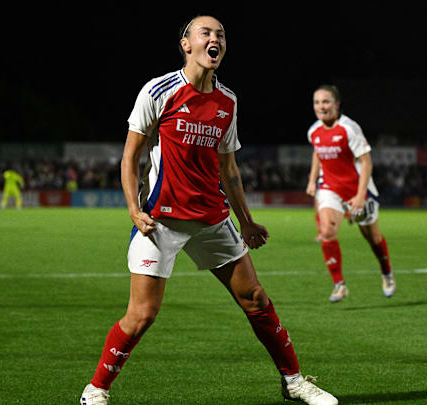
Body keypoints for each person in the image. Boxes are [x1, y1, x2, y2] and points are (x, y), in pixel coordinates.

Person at [80, 16, 337, 405]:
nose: (215, 38)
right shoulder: (158, 91)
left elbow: (229, 170)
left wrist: (246, 222)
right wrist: (133, 209)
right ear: (186, 44)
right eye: (206, 33)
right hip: (160, 221)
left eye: (221, 34)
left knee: (256, 299)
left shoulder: (228, 101)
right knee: (142, 315)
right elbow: (130, 157)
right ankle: (96, 390)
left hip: (212, 220)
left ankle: (294, 382)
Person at [305, 85, 395, 303]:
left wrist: (360, 195)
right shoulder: (313, 131)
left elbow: (366, 161)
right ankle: (339, 285)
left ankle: (387, 273)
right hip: (330, 188)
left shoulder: (349, 129)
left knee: (372, 238)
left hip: (357, 189)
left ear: (336, 104)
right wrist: (312, 179)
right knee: (326, 231)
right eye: (317, 102)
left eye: (326, 102)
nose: (321, 106)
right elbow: (318, 153)